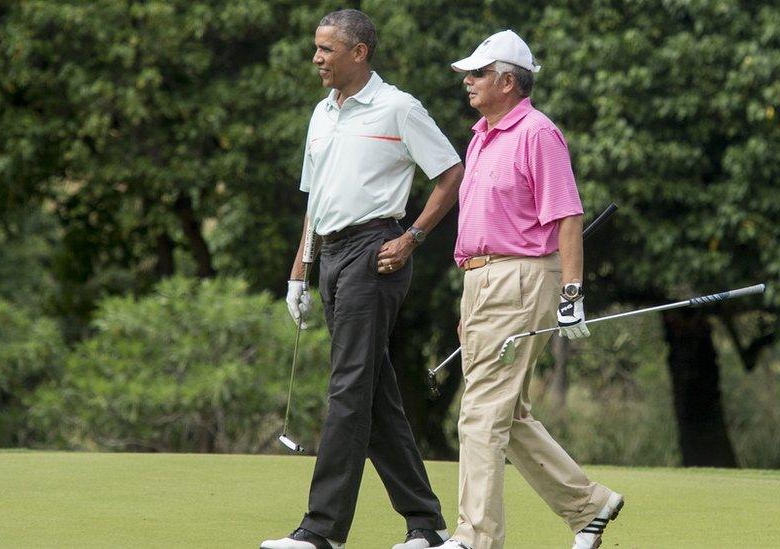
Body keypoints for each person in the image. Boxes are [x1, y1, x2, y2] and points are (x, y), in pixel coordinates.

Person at [260, 9, 465, 549]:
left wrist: (413, 237)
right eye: (317, 47)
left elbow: (450, 173)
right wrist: (298, 273)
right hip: (329, 256)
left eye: (327, 49)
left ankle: (321, 530)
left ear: (360, 52)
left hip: (376, 252)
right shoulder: (321, 114)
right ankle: (427, 523)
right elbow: (316, 199)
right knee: (373, 395)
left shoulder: (398, 108)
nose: (317, 58)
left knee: (348, 388)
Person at [441, 30, 624, 549]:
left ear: (507, 80)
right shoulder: (481, 135)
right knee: (507, 413)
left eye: (477, 74)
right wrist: (471, 296)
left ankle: (476, 537)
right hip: (481, 282)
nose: (468, 82)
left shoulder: (537, 132)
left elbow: (567, 216)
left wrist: (572, 294)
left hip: (521, 277)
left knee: (480, 410)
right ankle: (589, 505)